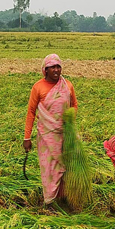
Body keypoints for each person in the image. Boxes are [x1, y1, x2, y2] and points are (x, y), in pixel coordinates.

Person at [23, 54, 78, 205]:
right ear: (45, 70)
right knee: (49, 169)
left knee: (66, 167)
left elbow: (74, 105)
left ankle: (63, 199)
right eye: (52, 67)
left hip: (66, 134)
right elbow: (31, 112)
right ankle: (50, 201)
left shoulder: (67, 85)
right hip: (47, 135)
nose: (56, 70)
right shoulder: (38, 87)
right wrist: (27, 137)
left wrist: (70, 120)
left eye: (58, 66)